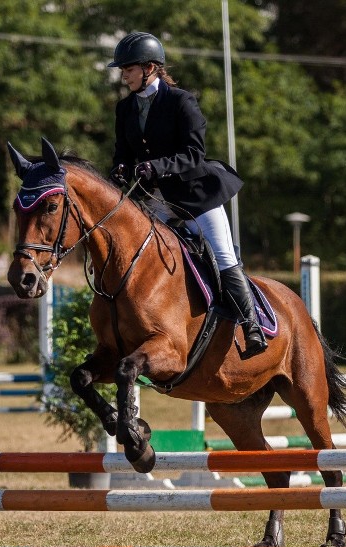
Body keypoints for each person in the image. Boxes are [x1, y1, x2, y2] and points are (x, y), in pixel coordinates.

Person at [107, 31, 267, 359]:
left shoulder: (181, 101)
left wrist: (157, 167)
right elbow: (122, 151)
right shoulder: (125, 108)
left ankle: (252, 325)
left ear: (150, 68)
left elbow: (194, 153)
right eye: (122, 70)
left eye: (129, 69)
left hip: (196, 197)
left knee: (222, 256)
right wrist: (120, 169)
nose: (123, 74)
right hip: (157, 200)